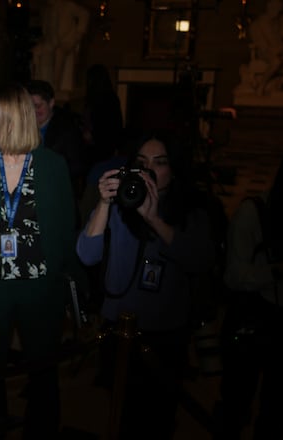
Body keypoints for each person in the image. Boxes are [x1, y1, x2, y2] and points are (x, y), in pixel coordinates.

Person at [0, 83, 84, 438]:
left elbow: (64, 231)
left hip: (40, 288)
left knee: (43, 373)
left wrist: (67, 286)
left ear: (13, 119)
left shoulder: (52, 165)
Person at [76, 130, 215, 439]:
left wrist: (153, 219)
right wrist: (103, 203)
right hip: (118, 329)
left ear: (174, 169)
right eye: (142, 162)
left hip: (164, 335)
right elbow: (86, 255)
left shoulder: (190, 209)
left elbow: (199, 259)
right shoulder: (118, 206)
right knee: (121, 415)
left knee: (158, 417)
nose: (150, 169)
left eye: (160, 162)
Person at [217, 138, 283, 440]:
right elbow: (234, 275)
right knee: (236, 403)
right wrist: (279, 270)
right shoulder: (255, 213)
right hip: (255, 318)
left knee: (276, 410)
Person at [25, 79, 88, 200]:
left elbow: (77, 165)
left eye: (38, 106)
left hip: (57, 193)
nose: (33, 111)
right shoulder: (23, 127)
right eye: (29, 106)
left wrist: (51, 173)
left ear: (51, 103)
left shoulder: (67, 128)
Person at [32, 0, 90, 95]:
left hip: (67, 41)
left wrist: (79, 34)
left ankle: (55, 86)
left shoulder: (68, 5)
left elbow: (85, 14)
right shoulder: (47, 9)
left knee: (59, 52)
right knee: (35, 51)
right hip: (51, 41)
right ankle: (36, 84)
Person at [81, 63, 124, 166]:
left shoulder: (107, 99)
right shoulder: (105, 98)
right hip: (96, 145)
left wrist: (92, 135)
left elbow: (111, 125)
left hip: (100, 145)